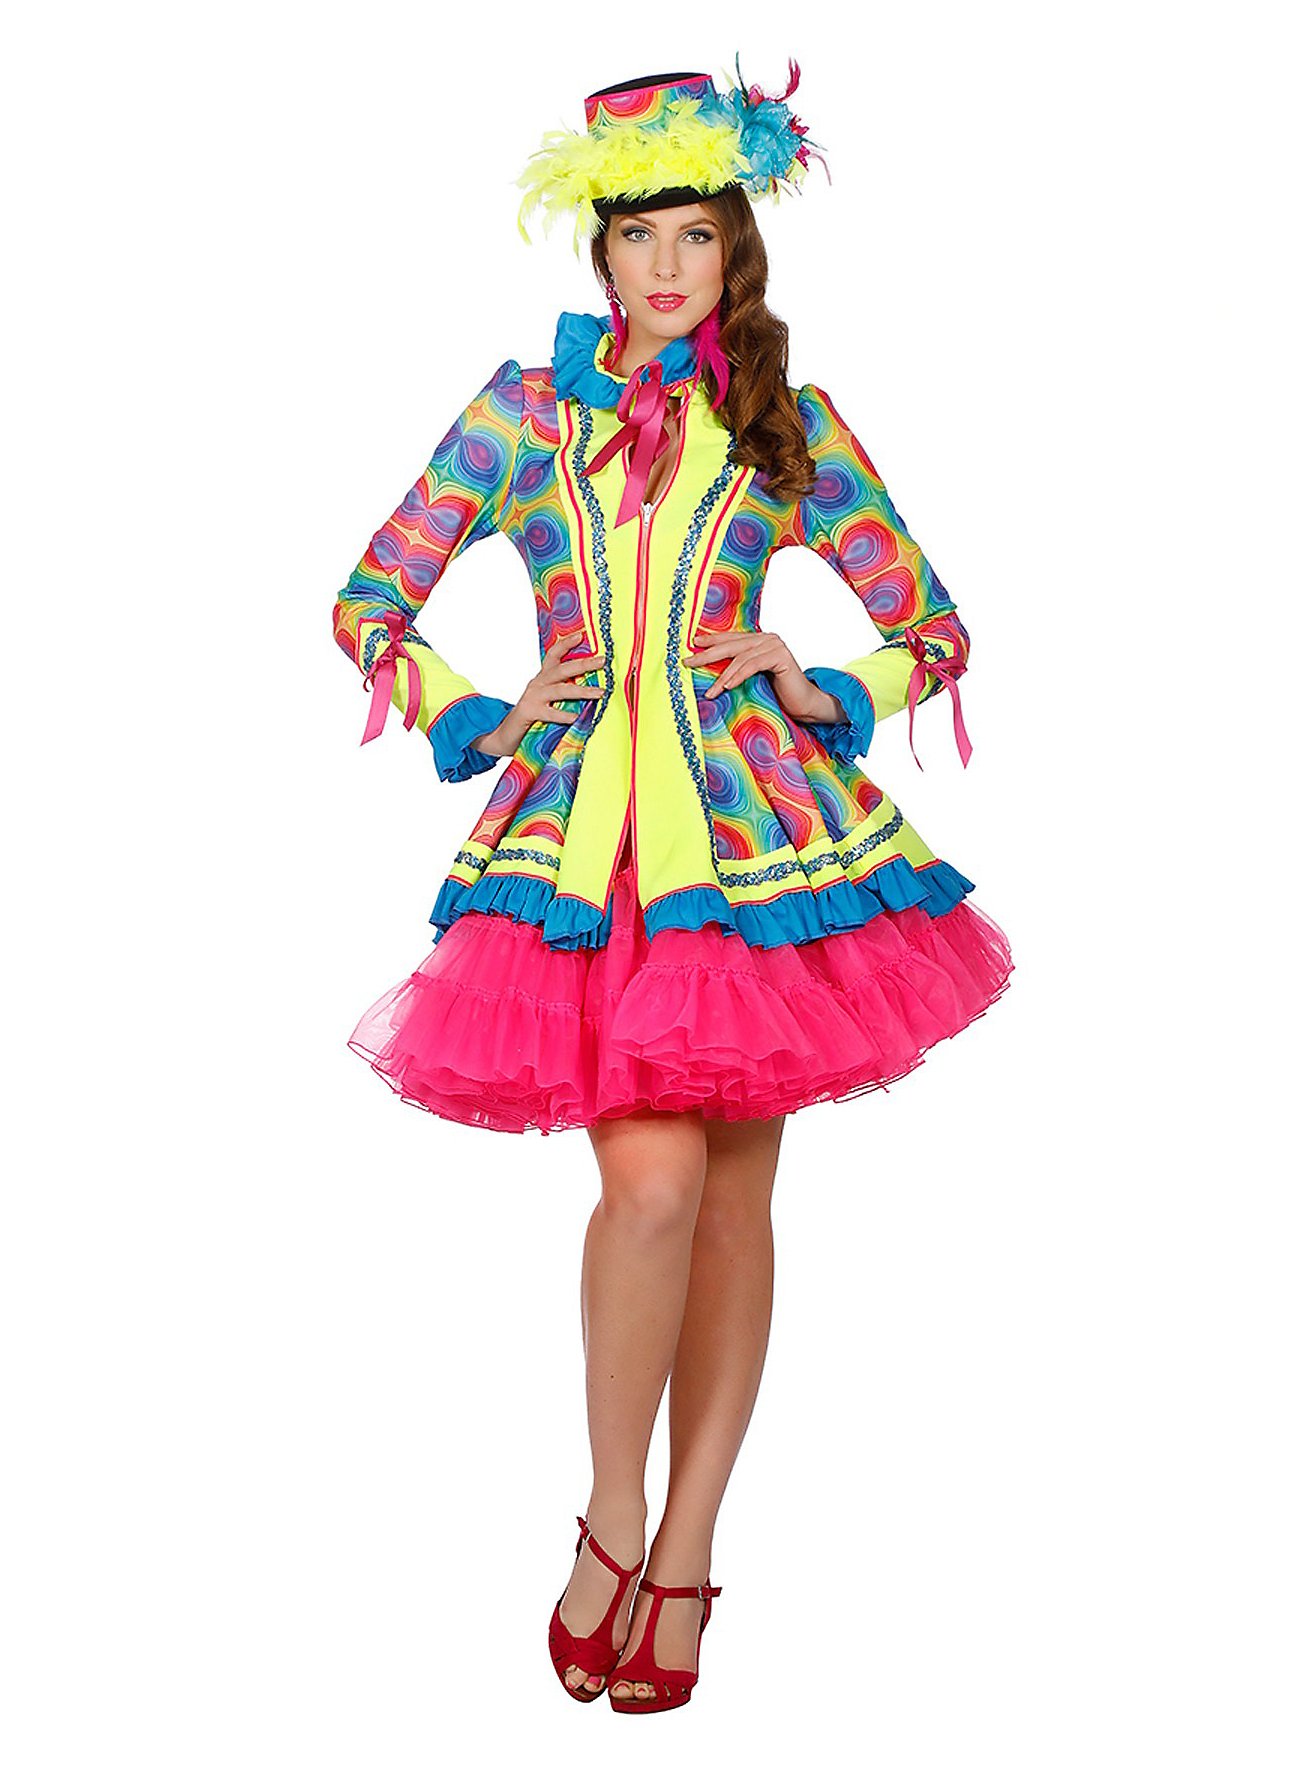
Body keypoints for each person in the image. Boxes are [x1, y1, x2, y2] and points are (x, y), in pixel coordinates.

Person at [332, 60, 1015, 1712]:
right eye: (637, 234)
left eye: (695, 235)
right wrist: (482, 711)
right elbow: (368, 601)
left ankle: (692, 1546)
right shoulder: (525, 415)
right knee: (647, 1187)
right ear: (598, 249)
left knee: (731, 1204)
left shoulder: (789, 428)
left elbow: (933, 627)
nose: (664, 266)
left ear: (735, 252)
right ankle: (613, 1518)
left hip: (759, 854)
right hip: (584, 855)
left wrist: (822, 680)